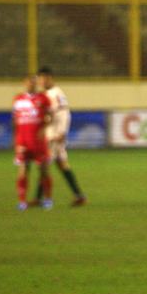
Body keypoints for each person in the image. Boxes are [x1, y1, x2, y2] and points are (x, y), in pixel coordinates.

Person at [34, 66, 87, 207]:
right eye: (39, 79)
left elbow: (64, 114)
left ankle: (38, 198)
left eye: (42, 79)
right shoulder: (47, 94)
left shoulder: (56, 94)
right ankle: (79, 195)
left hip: (54, 136)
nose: (40, 82)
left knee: (44, 165)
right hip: (52, 134)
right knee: (62, 164)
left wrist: (61, 133)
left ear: (49, 78)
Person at [12, 76, 53, 211]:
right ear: (24, 83)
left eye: (34, 83)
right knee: (23, 170)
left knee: (43, 170)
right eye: (29, 82)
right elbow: (15, 120)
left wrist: (44, 128)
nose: (31, 85)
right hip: (23, 141)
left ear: (36, 84)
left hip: (38, 142)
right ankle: (22, 201)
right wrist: (15, 139)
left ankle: (48, 199)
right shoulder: (18, 99)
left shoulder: (43, 98)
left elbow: (51, 116)